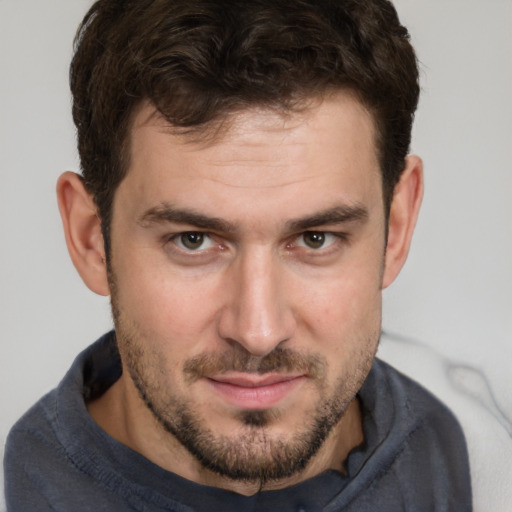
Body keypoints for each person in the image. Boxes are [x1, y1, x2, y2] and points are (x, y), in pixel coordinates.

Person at [3, 0, 472, 510]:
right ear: (92, 238)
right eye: (193, 240)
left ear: (397, 226)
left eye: (316, 238)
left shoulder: (477, 457)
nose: (257, 331)